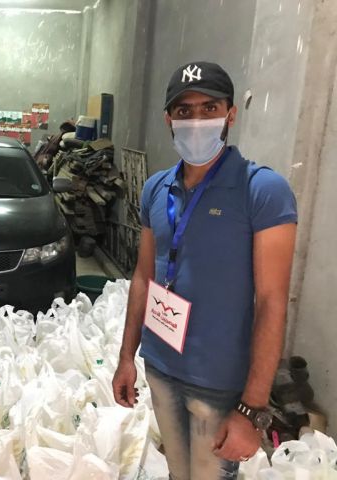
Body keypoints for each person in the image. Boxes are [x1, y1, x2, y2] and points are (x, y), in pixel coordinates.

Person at [112, 61, 297, 479]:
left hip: (218, 381)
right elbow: (143, 276)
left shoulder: (262, 191)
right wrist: (127, 357)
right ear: (168, 119)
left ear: (230, 114)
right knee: (179, 471)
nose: (196, 121)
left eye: (209, 108)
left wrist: (253, 409)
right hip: (160, 366)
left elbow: (272, 302)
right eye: (184, 111)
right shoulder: (157, 188)